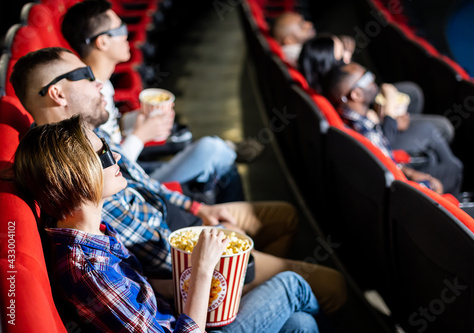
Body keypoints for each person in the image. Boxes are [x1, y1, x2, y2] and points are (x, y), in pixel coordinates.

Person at [10, 47, 346, 316]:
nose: (99, 82)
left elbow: (148, 188)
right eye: (85, 76)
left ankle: (259, 299)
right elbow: (156, 262)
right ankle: (252, 294)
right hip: (186, 261)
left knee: (283, 217)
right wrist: (222, 260)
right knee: (331, 286)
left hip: (183, 230)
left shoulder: (87, 144)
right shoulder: (74, 175)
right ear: (56, 93)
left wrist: (202, 211)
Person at [11, 115, 321, 332]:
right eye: (103, 153)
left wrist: (186, 282)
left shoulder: (89, 230)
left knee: (300, 325)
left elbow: (140, 293)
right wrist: (202, 269)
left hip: (174, 318)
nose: (116, 156)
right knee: (291, 284)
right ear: (77, 177)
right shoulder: (90, 269)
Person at [61, 0, 249, 204]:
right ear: (102, 42)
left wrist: (140, 119)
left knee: (221, 159)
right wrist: (141, 135)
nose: (127, 35)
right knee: (215, 151)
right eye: (120, 29)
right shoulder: (87, 97)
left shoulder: (102, 83)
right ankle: (240, 222)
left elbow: (110, 130)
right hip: (129, 184)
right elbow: (110, 169)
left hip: (137, 169)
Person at [323, 62, 474, 239]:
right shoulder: (364, 131)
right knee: (454, 168)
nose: (373, 79)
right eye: (367, 78)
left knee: (442, 161)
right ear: (356, 94)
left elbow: (386, 162)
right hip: (418, 205)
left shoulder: (350, 120)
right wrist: (429, 184)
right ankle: (454, 217)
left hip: (401, 186)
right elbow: (394, 189)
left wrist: (410, 171)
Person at [297, 33, 455, 144]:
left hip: (380, 122)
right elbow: (371, 133)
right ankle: (421, 149)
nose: (348, 57)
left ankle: (413, 136)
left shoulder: (325, 86)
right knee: (442, 127)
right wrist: (390, 117)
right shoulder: (338, 97)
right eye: (342, 56)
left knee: (412, 92)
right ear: (329, 65)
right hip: (383, 136)